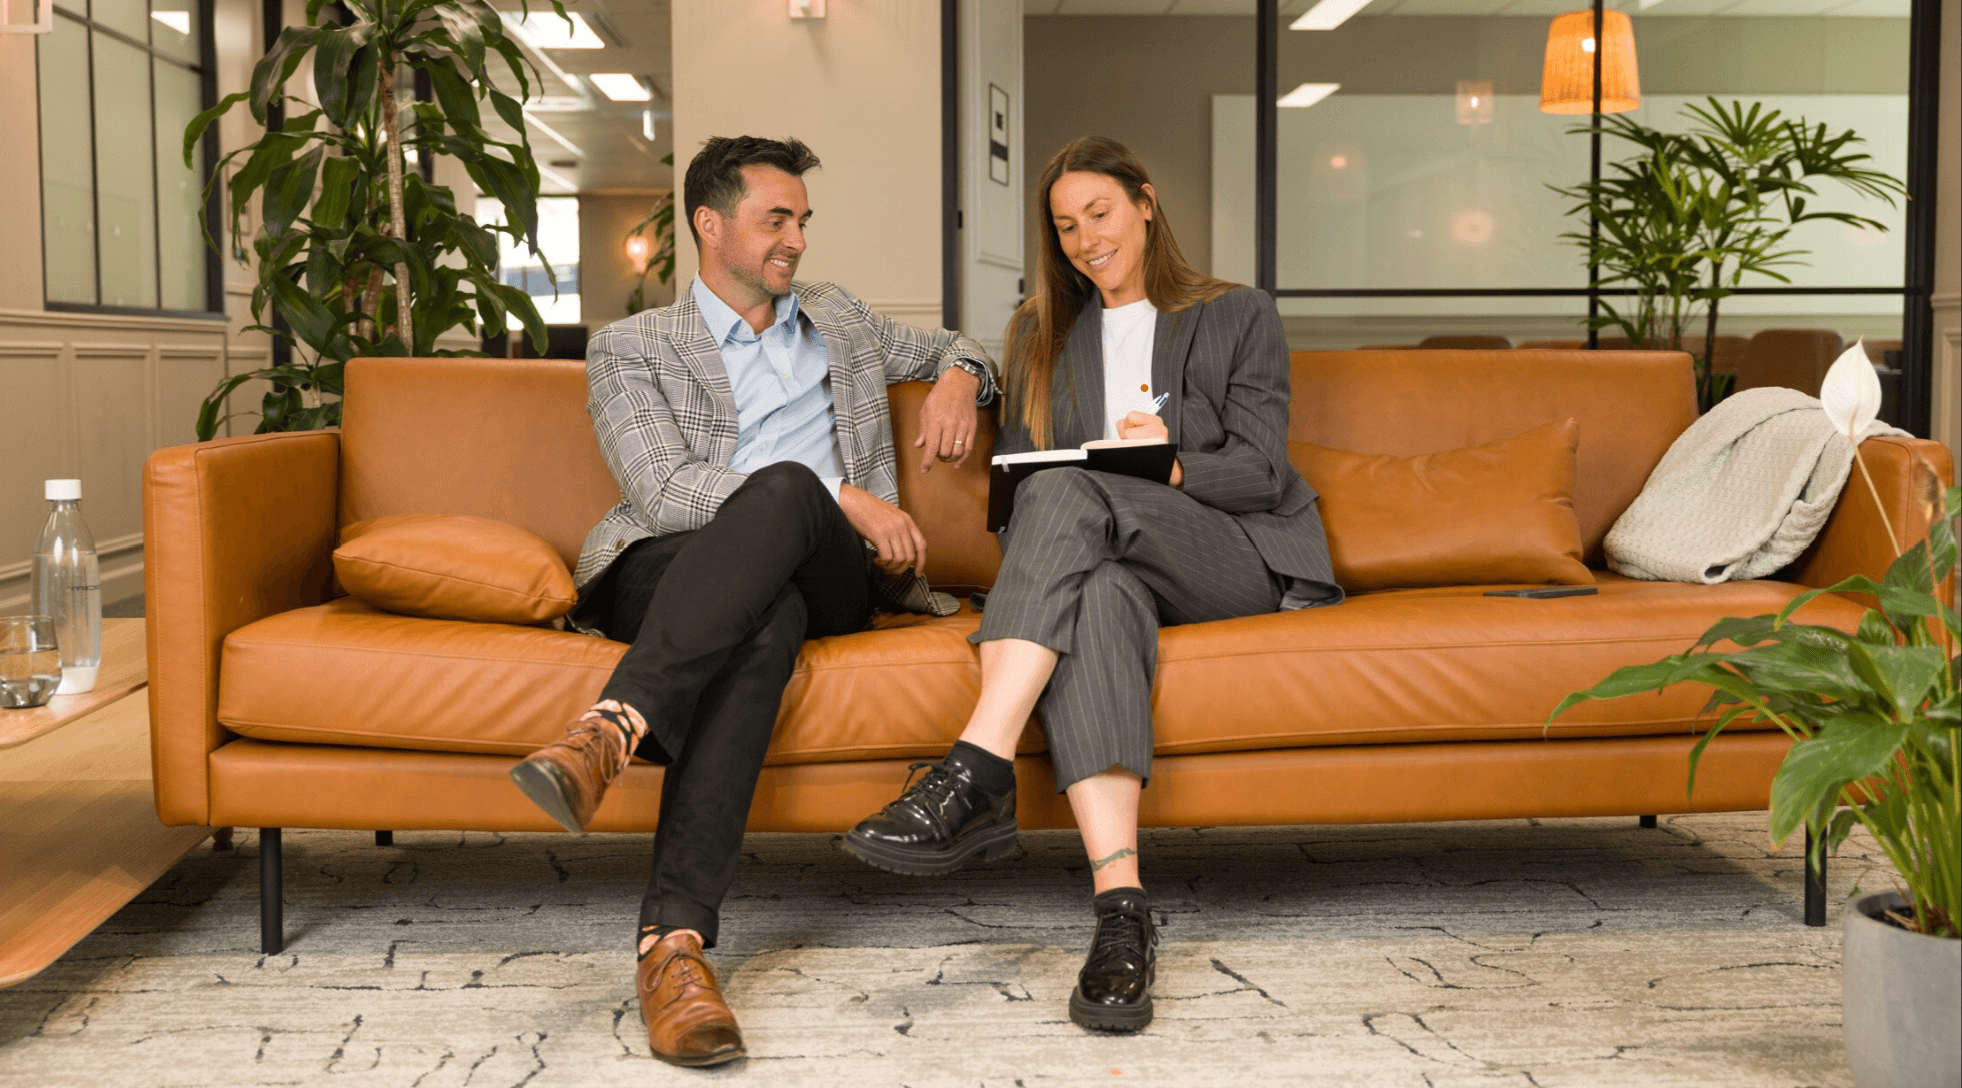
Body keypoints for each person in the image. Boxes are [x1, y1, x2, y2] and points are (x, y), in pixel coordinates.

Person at [509, 135, 996, 1067]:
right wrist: (835, 492)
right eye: (776, 219)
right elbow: (662, 489)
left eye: (802, 221)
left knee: (788, 500)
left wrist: (960, 381)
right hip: (673, 563)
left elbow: (957, 343)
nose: (797, 241)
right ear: (710, 223)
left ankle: (610, 726)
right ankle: (674, 949)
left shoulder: (840, 320)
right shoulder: (631, 347)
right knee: (761, 617)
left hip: (836, 571)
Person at [842, 135, 1342, 1033]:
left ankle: (973, 770)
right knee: (1097, 595)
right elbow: (1032, 489)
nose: (1084, 239)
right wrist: (989, 420)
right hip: (1106, 553)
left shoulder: (1236, 312)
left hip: (1230, 552)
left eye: (1100, 214)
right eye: (1066, 226)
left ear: (1146, 204)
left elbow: (1264, 471)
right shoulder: (1043, 331)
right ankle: (1123, 915)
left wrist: (1165, 466)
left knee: (1075, 492)